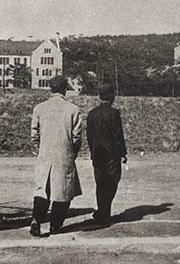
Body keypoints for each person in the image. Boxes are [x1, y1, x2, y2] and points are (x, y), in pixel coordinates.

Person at [30, 76, 82, 236]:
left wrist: (39, 149)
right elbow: (77, 137)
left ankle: (36, 220)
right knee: (63, 191)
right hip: (64, 154)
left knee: (42, 189)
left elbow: (34, 134)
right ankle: (55, 225)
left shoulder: (39, 108)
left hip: (45, 154)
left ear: (50, 89)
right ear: (65, 89)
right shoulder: (73, 109)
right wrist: (73, 153)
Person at [86, 84, 127, 224]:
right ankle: (105, 212)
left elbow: (89, 136)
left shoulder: (91, 114)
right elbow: (117, 135)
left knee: (100, 183)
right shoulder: (114, 113)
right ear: (111, 96)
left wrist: (92, 151)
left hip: (97, 154)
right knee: (112, 181)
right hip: (112, 155)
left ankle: (102, 211)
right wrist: (123, 152)